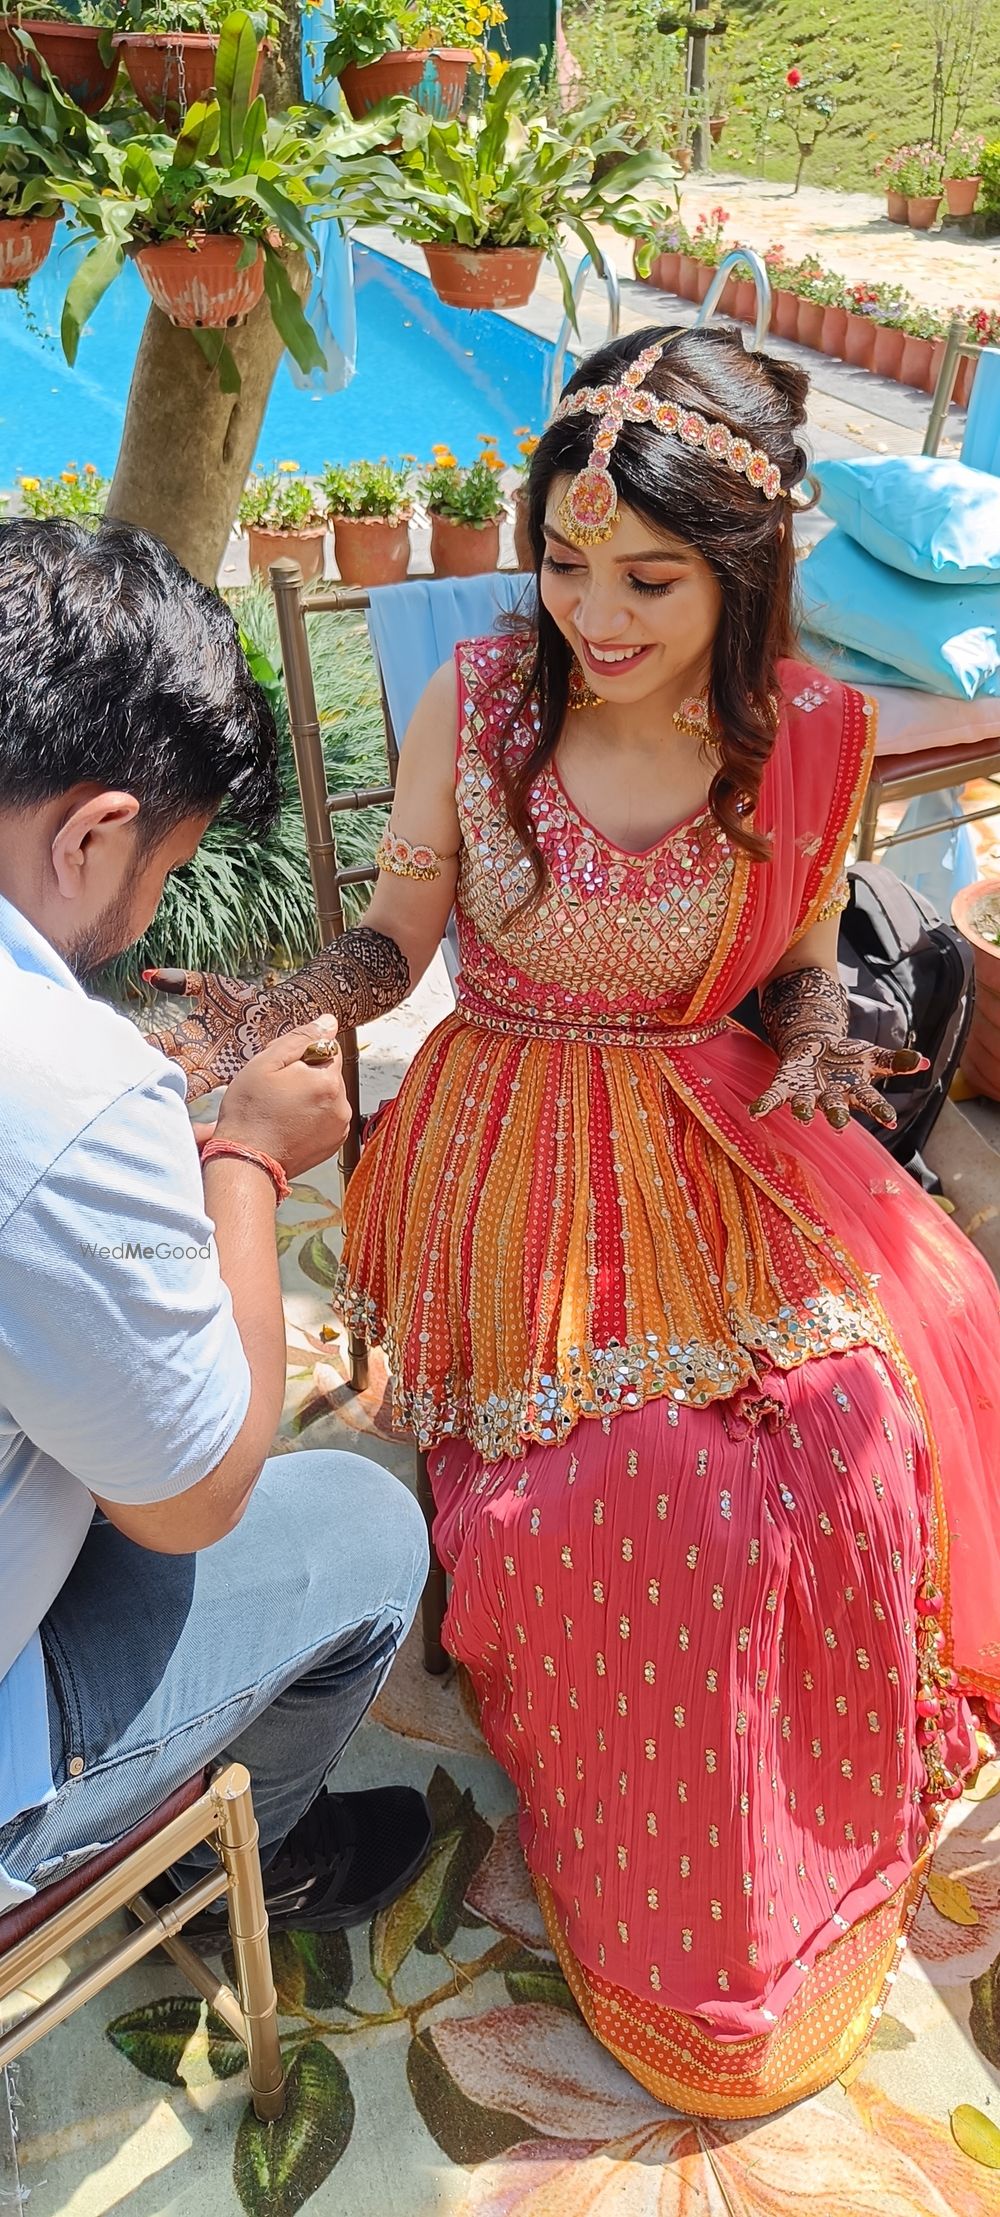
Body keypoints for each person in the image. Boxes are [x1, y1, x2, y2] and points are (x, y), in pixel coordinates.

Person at [146, 328, 1000, 2113]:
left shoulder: (814, 737)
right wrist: (269, 1004)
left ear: (743, 574)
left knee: (846, 1439)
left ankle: (796, 1856)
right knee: (625, 1507)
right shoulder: (485, 697)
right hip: (512, 1136)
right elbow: (396, 940)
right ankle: (664, 1915)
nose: (594, 613)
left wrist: (830, 1033)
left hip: (720, 1130)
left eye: (650, 579)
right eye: (563, 561)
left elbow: (787, 965)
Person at [0, 518, 431, 1937]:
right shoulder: (63, 1092)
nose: (147, 918)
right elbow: (193, 1495)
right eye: (163, 871)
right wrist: (245, 1156)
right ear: (92, 832)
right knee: (367, 1521)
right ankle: (228, 1861)